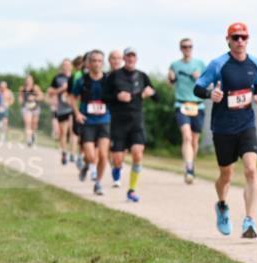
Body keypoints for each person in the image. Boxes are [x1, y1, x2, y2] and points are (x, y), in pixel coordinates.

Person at [194, 23, 257, 237]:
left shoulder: (256, 63)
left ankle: (249, 221)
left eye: (243, 37)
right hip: (223, 127)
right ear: (228, 40)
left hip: (246, 124)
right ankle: (222, 205)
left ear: (248, 39)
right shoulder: (218, 64)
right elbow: (198, 87)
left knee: (251, 170)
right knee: (226, 175)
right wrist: (210, 95)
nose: (240, 41)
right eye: (235, 37)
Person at [106, 47, 156, 202]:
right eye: (128, 56)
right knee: (118, 158)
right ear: (124, 58)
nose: (130, 58)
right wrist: (117, 96)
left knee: (137, 153)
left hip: (136, 121)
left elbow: (156, 96)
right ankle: (116, 168)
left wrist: (151, 93)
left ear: (136, 58)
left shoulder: (142, 76)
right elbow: (104, 96)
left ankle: (132, 190)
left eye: (133, 56)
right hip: (119, 122)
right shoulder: (114, 76)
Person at [70, 50, 112, 195]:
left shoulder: (108, 80)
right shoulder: (81, 81)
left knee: (103, 155)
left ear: (103, 63)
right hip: (87, 120)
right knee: (90, 154)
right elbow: (73, 97)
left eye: (99, 61)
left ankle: (98, 183)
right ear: (88, 63)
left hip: (104, 119)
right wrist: (77, 113)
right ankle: (91, 169)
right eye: (93, 60)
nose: (96, 63)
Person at [168, 38, 207, 183]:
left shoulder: (200, 64)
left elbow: (208, 83)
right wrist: (171, 78)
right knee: (187, 137)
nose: (187, 49)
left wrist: (200, 78)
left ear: (192, 48)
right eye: (184, 46)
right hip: (181, 104)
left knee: (195, 140)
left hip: (198, 105)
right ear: (180, 48)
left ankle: (192, 164)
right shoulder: (174, 65)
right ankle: (189, 167)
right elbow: (169, 83)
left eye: (189, 46)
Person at [48, 59, 76, 164]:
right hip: (62, 109)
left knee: (73, 131)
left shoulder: (75, 77)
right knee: (63, 132)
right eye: (64, 65)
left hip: (73, 108)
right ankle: (64, 153)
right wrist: (62, 89)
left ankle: (73, 154)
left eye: (68, 65)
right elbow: (50, 92)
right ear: (62, 66)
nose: (66, 67)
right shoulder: (57, 78)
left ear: (71, 67)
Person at [18, 74, 44, 146]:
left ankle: (33, 136)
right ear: (25, 80)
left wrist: (34, 98)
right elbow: (20, 97)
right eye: (27, 79)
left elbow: (41, 96)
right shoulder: (22, 88)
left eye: (30, 79)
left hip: (35, 108)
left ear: (32, 80)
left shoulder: (35, 88)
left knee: (34, 124)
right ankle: (28, 139)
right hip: (26, 108)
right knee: (27, 123)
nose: (28, 81)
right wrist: (21, 101)